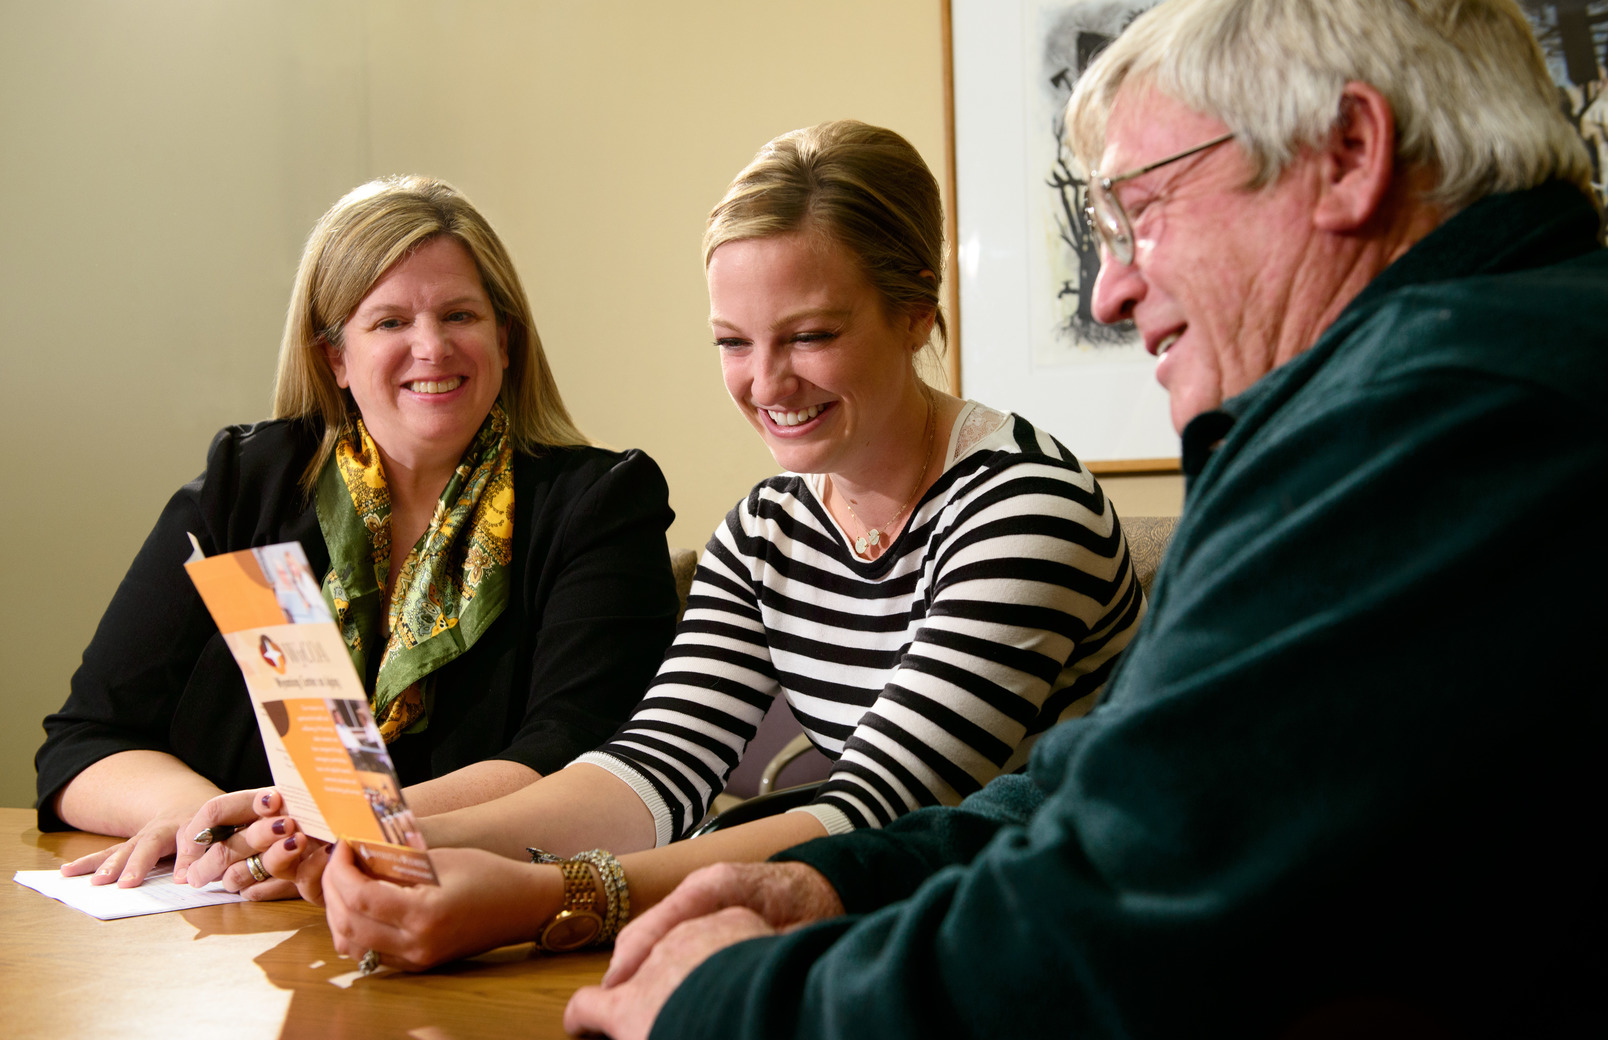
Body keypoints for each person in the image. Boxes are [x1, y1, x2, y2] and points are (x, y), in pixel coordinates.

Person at [559, 2, 1608, 1037]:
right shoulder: (1450, 373)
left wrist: (722, 999)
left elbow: (1111, 929)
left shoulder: (1450, 407)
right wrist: (830, 882)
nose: (1108, 290)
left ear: (1347, 154)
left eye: (1143, 209)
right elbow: (1106, 788)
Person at [197, 120, 1146, 966]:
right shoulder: (766, 529)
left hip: (1065, 953)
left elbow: (880, 813)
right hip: (903, 936)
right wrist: (375, 832)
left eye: (809, 334)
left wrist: (549, 896)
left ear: (916, 311)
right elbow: (652, 773)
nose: (766, 382)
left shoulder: (1025, 509)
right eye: (733, 343)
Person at [35, 175, 681, 894]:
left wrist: (337, 830)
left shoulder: (599, 502)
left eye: (460, 315)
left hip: (473, 930)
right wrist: (212, 823)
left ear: (504, 337)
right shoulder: (245, 488)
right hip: (229, 938)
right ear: (334, 358)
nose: (431, 348)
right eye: (389, 322)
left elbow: (575, 755)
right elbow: (86, 741)